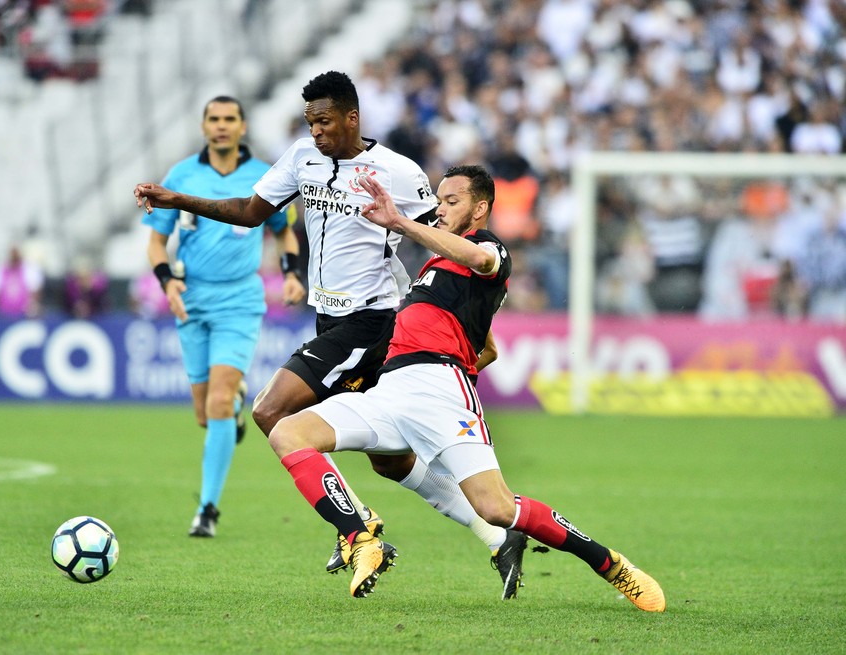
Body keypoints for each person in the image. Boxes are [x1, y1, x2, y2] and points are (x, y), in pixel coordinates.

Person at [134, 71, 530, 599]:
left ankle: (358, 530)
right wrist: (177, 200)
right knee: (389, 460)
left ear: (351, 118)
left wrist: (472, 322)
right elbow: (251, 213)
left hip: (375, 320)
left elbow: (445, 238)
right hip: (329, 319)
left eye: (324, 121)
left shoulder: (397, 171)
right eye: (310, 122)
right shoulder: (302, 158)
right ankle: (496, 533)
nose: (317, 132)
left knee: (271, 411)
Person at [267, 165, 666, 611]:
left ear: (480, 208)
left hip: (442, 390)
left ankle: (610, 564)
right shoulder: (437, 265)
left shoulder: (487, 248)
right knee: (289, 433)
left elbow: (479, 264)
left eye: (451, 201)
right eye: (438, 202)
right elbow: (488, 346)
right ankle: (360, 537)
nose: (440, 209)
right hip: (390, 390)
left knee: (496, 507)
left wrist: (400, 221)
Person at [140, 95, 306, 538]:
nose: (221, 126)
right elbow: (157, 242)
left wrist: (291, 274)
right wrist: (167, 280)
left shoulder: (263, 177)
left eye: (229, 118)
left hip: (240, 301)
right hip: (191, 300)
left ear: (243, 126)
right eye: (214, 119)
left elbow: (284, 232)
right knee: (206, 412)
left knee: (215, 402)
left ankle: (207, 510)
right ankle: (232, 406)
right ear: (203, 126)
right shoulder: (181, 175)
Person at [0, 245, 44, 318]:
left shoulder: (30, 271)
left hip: (23, 316)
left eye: (17, 256)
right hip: (2, 315)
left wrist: (31, 306)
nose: (14, 258)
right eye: (12, 256)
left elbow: (35, 294)